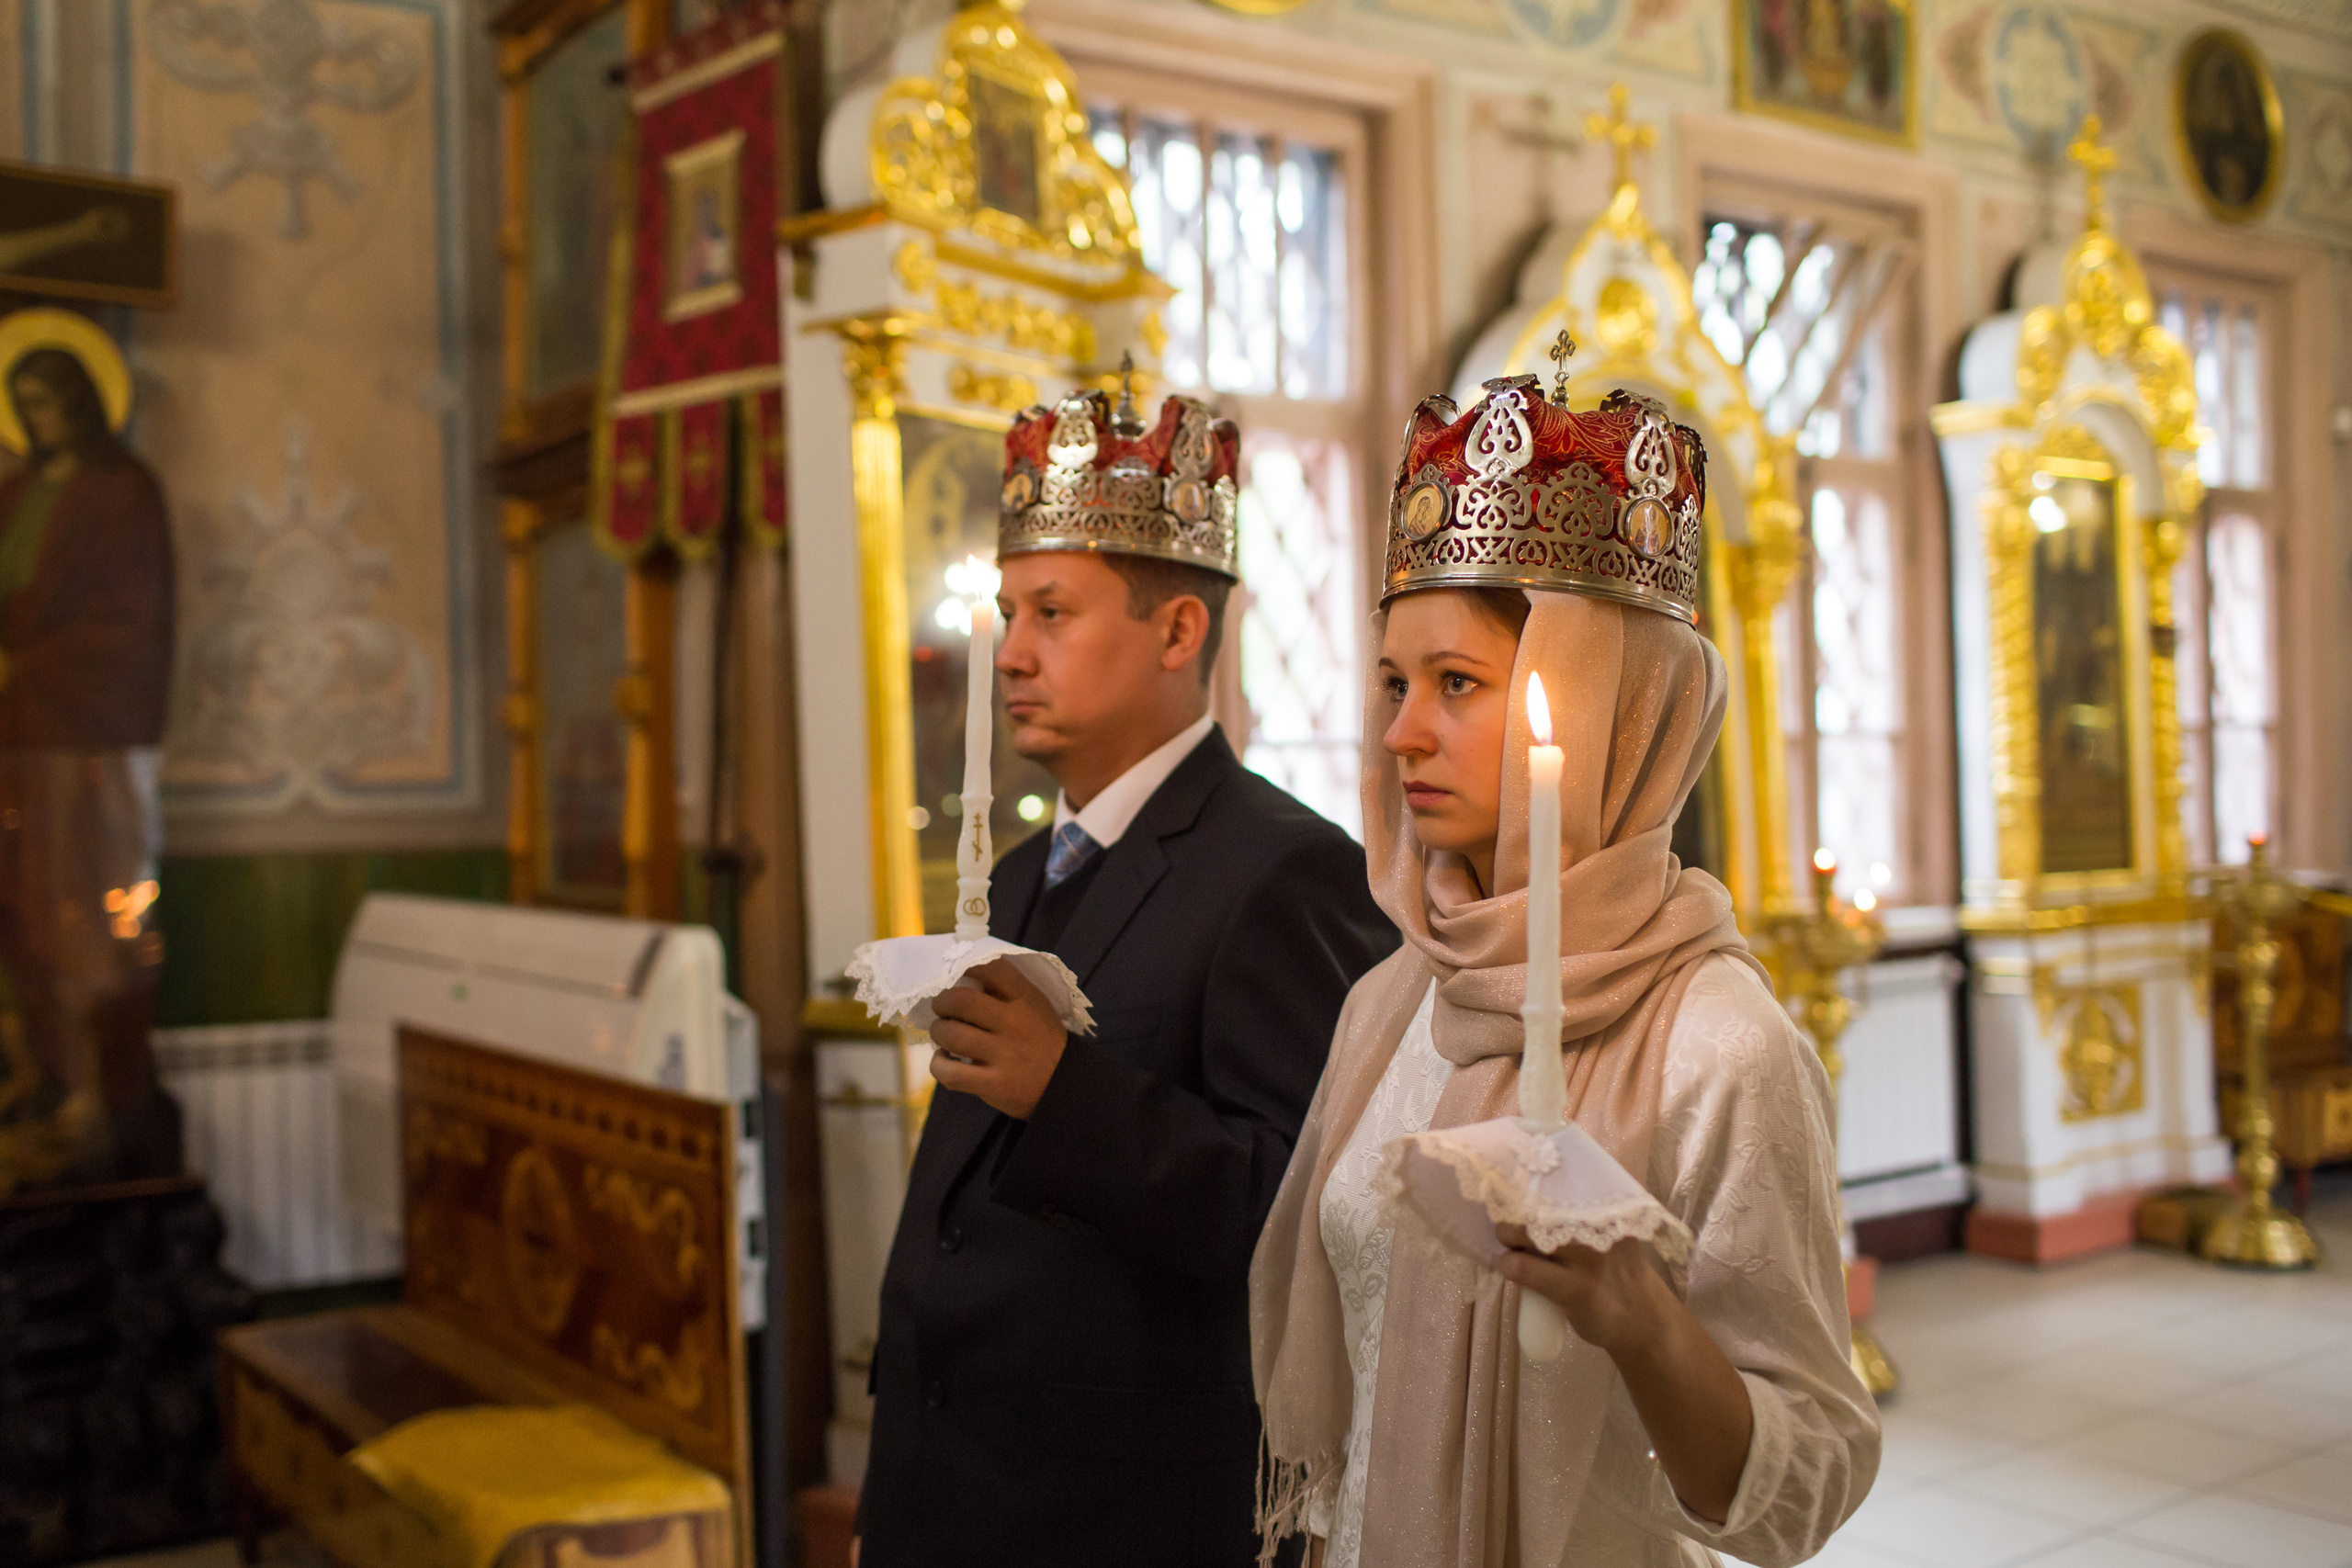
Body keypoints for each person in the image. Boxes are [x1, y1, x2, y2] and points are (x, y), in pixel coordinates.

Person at [1252, 375, 1879, 1568]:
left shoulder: (1718, 1042)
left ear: (1597, 709)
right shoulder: (1394, 997)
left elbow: (1811, 1482)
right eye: (1394, 681)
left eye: (1456, 683)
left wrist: (1644, 1321)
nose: (1399, 733)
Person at [854, 382, 1398, 1566]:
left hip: (1117, 1514)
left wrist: (1068, 1091)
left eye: (1052, 610)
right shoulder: (1010, 874)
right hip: (951, 1494)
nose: (1011, 653)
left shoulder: (1284, 872)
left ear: (1176, 633)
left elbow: (1306, 1223)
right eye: (1006, 612)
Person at [0, 336, 179, 1193]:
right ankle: (44, 1075)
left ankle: (100, 1099)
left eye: (50, 400)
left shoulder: (123, 493)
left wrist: (26, 666)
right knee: (26, 913)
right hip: (18, 741)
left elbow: (130, 628)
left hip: (88, 741)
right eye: (23, 403)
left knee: (89, 919)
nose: (39, 419)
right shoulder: (15, 494)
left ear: (82, 400)